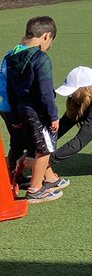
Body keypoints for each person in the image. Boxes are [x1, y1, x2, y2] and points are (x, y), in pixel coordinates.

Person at [2, 15, 68, 202]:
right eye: (51, 41)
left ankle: (44, 178)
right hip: (37, 112)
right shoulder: (40, 58)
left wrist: (14, 115)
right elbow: (46, 91)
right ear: (46, 36)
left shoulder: (10, 56)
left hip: (20, 109)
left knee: (28, 144)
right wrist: (53, 115)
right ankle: (36, 189)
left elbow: (9, 89)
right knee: (45, 148)